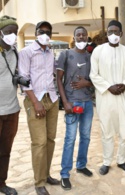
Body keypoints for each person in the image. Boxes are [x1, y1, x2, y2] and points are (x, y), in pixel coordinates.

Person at [18, 21, 59, 195]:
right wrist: (36, 103)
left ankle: (46, 174)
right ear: (35, 33)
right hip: (35, 100)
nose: (45, 35)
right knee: (39, 142)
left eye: (48, 32)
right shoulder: (26, 52)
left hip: (52, 99)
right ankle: (39, 182)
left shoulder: (50, 52)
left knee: (50, 140)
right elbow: (24, 79)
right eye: (42, 31)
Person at [90, 20, 125, 175]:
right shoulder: (98, 51)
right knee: (107, 129)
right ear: (107, 33)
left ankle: (121, 160)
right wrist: (109, 86)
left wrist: (123, 84)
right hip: (106, 96)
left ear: (121, 34)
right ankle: (106, 161)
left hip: (124, 95)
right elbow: (93, 75)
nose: (113, 35)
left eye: (116, 32)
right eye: (110, 32)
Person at [57, 26, 94, 190]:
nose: (81, 37)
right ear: (74, 37)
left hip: (87, 103)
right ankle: (65, 174)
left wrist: (87, 83)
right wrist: (65, 102)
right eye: (78, 35)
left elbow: (96, 80)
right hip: (72, 103)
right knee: (70, 139)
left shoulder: (91, 56)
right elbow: (58, 80)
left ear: (87, 37)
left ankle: (81, 164)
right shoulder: (65, 54)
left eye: (84, 35)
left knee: (85, 136)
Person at [0, 15, 20, 195]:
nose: (12, 35)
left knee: (5, 150)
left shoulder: (14, 52)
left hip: (12, 110)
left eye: (15, 32)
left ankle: (2, 183)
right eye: (8, 32)